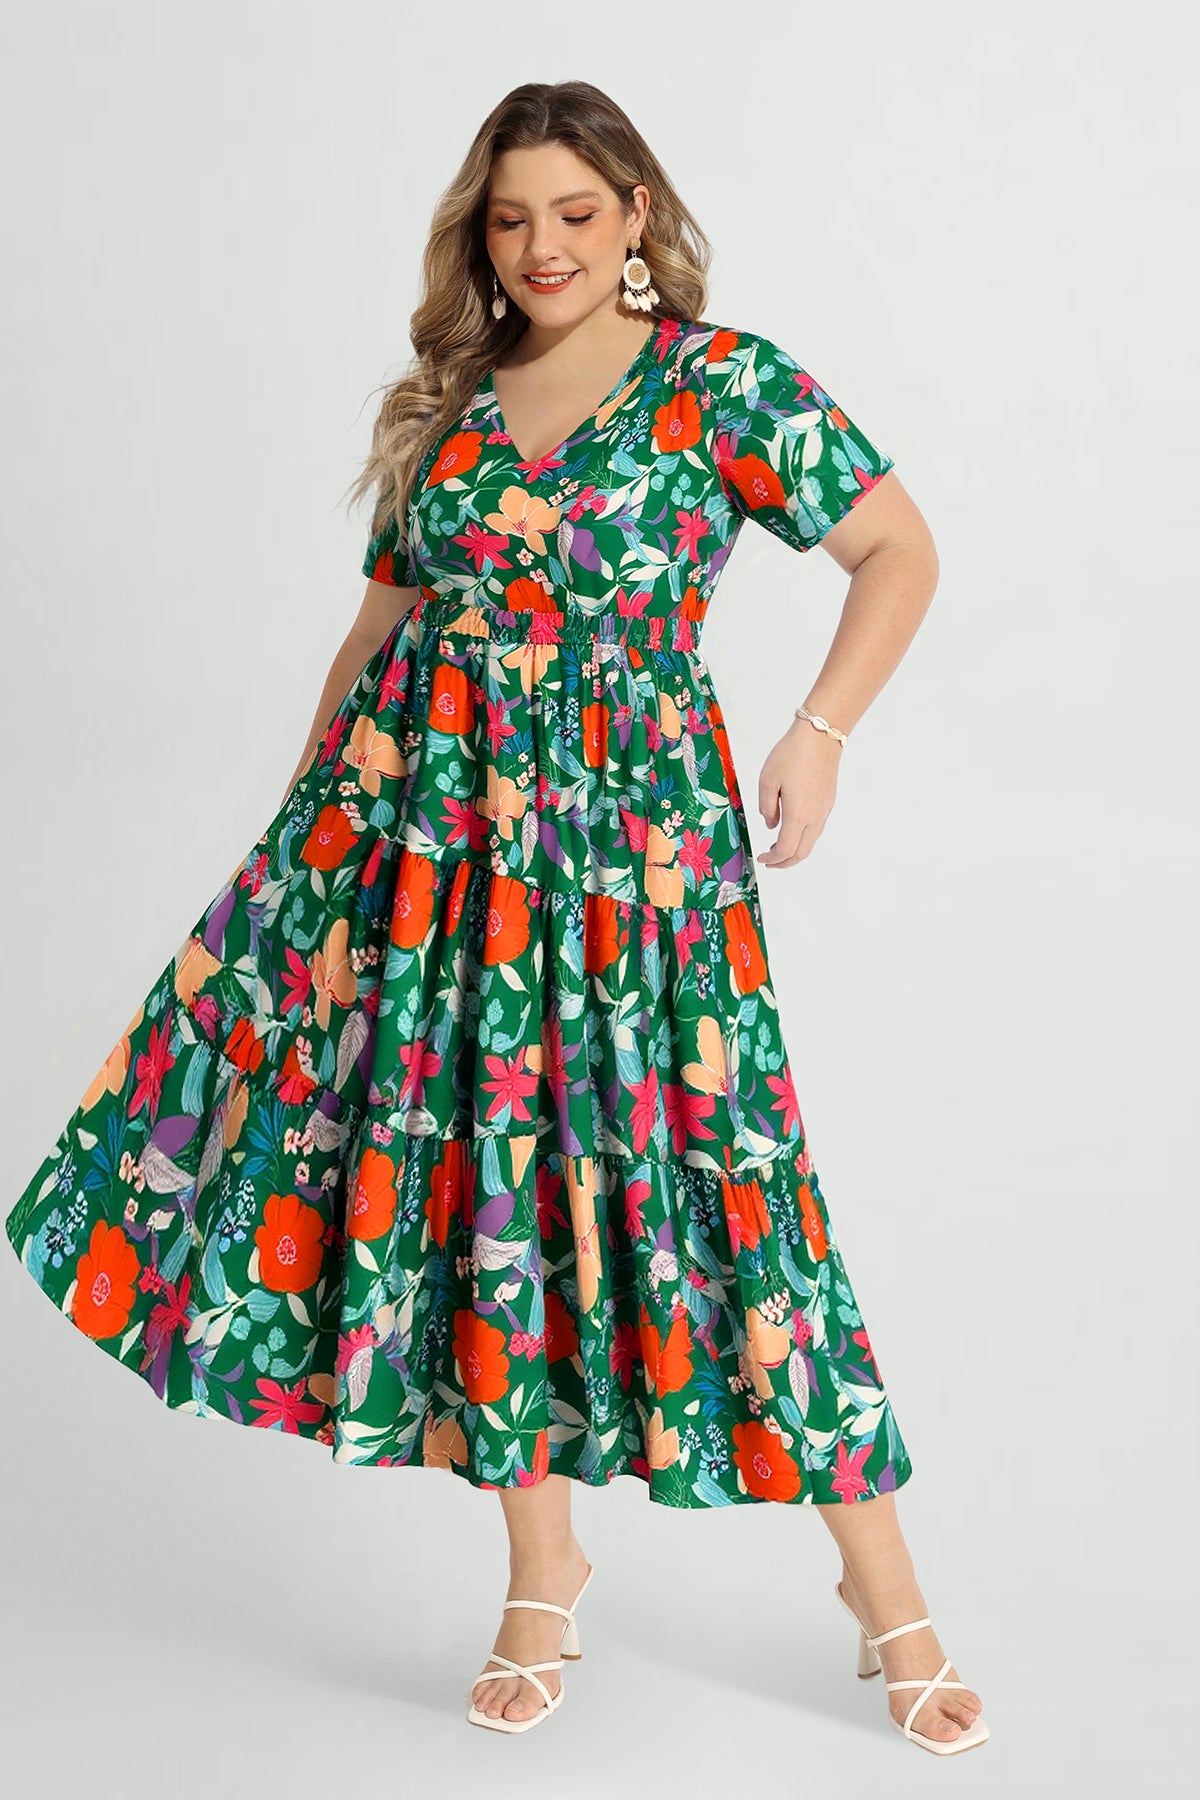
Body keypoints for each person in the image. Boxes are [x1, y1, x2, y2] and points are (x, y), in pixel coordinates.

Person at [5, 80, 986, 1753]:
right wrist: (306, 842)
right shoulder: (451, 408)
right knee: (485, 1190)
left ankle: (883, 1592)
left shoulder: (724, 385)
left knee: (730, 1176)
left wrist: (818, 731)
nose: (542, 246)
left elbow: (900, 549)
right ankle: (544, 1578)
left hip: (638, 862)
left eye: (576, 214)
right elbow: (379, 634)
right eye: (513, 217)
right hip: (432, 854)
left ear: (635, 216)